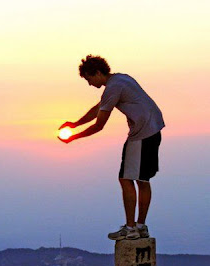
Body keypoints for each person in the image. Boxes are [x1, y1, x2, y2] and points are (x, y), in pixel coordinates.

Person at [58, 55, 165, 240]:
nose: (90, 84)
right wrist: (75, 124)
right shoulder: (121, 79)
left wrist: (74, 137)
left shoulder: (114, 87)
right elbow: (100, 107)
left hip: (141, 133)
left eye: (89, 79)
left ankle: (131, 229)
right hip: (154, 129)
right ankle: (140, 226)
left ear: (98, 73)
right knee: (142, 180)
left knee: (126, 179)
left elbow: (99, 125)